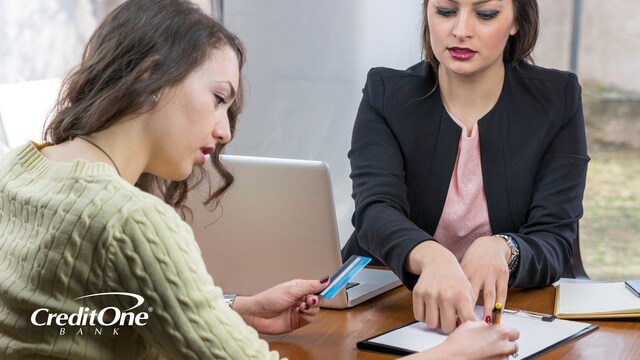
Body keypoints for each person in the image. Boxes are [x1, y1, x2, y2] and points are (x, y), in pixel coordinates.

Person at [0, 0, 518, 358]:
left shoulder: (20, 166)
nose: (224, 131)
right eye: (219, 98)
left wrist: (233, 310)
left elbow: (78, 315)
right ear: (148, 76)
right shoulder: (130, 219)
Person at [342, 0, 588, 336]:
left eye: (485, 14)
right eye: (445, 11)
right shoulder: (386, 93)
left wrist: (504, 248)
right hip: (390, 301)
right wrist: (429, 255)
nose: (460, 31)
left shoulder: (556, 99)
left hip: (512, 311)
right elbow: (374, 211)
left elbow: (555, 239)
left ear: (517, 21)